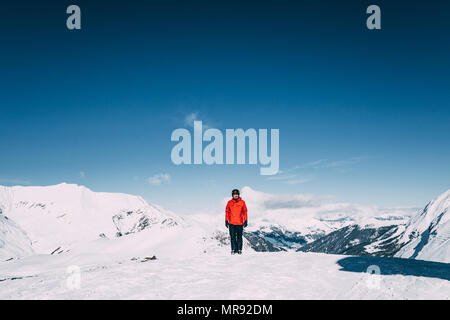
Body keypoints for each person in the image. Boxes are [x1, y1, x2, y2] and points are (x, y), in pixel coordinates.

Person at [225, 189, 248, 255]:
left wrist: (245, 220)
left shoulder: (242, 202)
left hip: (239, 223)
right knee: (232, 237)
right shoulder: (229, 202)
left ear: (238, 195)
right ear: (232, 195)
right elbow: (227, 212)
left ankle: (239, 250)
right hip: (231, 223)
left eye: (237, 194)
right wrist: (226, 220)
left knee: (239, 237)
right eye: (234, 194)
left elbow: (245, 212)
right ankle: (233, 249)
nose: (236, 195)